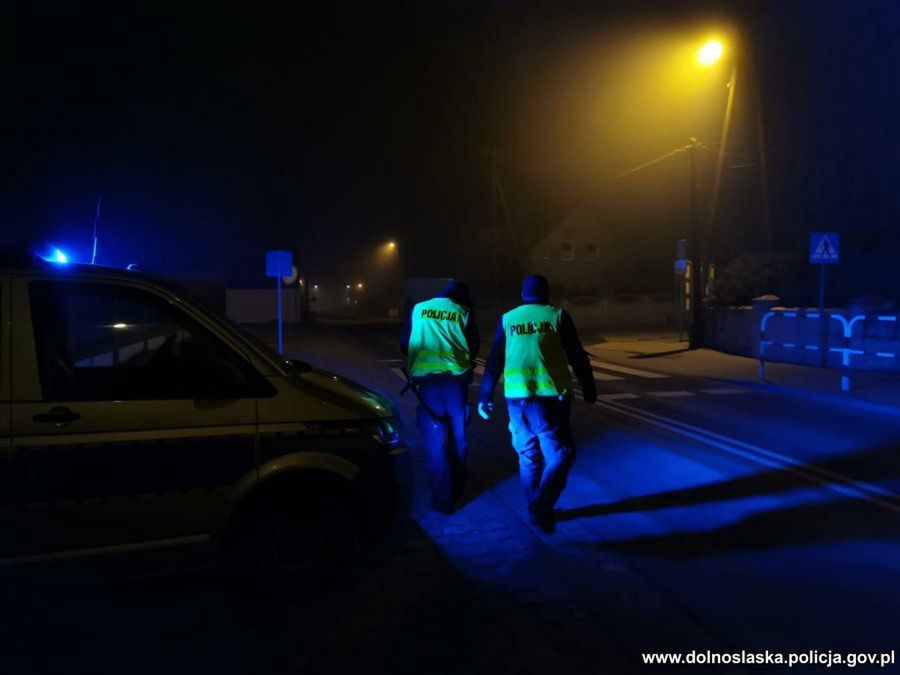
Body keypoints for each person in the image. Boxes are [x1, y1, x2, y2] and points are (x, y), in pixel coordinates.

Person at [477, 274, 596, 533]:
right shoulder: (557, 316)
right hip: (548, 402)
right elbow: (577, 356)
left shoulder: (508, 319)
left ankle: (536, 509)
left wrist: (484, 397)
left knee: (529, 457)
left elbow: (494, 360)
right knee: (562, 455)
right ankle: (540, 507)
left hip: (516, 402)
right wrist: (589, 388)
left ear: (522, 295)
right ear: (547, 293)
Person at [401, 280, 479, 513]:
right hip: (455, 384)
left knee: (435, 442)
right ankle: (457, 489)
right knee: (459, 439)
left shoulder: (419, 309)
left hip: (426, 386)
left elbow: (405, 343)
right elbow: (473, 348)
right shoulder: (464, 312)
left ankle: (442, 499)